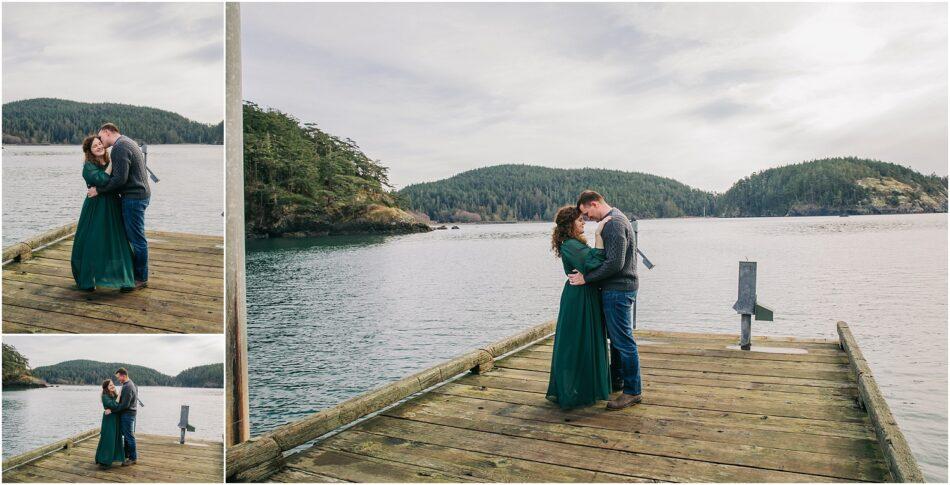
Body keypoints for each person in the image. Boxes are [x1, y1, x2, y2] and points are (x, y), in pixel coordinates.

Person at [568, 190, 643, 410]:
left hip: (618, 290)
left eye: (586, 213)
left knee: (623, 341)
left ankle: (633, 391)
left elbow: (615, 264)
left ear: (594, 203)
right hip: (621, 288)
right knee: (618, 340)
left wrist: (586, 278)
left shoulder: (613, 224)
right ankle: (617, 380)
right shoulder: (617, 218)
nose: (587, 218)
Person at [545, 206, 613, 409]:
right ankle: (572, 391)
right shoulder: (570, 245)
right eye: (579, 220)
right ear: (569, 225)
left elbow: (592, 262)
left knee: (585, 341)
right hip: (578, 298)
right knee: (575, 343)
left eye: (583, 219)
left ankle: (584, 387)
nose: (583, 222)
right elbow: (593, 263)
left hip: (585, 294)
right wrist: (599, 235)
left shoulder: (574, 243)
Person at [88, 123, 151, 292]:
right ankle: (133, 273)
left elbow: (120, 180)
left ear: (108, 132)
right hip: (140, 195)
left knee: (137, 239)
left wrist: (99, 190)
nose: (100, 141)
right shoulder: (127, 142)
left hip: (134, 198)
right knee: (135, 237)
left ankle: (140, 278)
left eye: (101, 137)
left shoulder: (119, 147)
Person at [70, 136, 135, 291]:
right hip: (96, 207)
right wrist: (112, 163)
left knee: (117, 238)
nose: (99, 147)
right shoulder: (88, 167)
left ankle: (123, 278)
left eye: (100, 144)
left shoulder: (107, 161)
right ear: (89, 151)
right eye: (95, 146)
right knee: (93, 239)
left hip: (112, 204)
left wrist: (111, 163)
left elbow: (118, 180)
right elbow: (103, 180)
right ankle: (88, 279)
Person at [94, 380, 125, 468]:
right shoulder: (105, 396)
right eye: (110, 385)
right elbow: (115, 404)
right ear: (106, 387)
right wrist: (119, 395)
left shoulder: (114, 395)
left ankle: (112, 458)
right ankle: (104, 460)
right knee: (108, 439)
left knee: (115, 438)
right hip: (109, 420)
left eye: (112, 384)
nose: (112, 386)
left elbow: (119, 406)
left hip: (116, 419)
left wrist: (112, 410)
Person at [110, 368, 138, 465]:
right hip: (130, 413)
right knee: (127, 435)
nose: (118, 380)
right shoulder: (130, 384)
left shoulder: (127, 386)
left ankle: (133, 458)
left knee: (129, 436)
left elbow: (124, 405)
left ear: (123, 375)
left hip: (128, 413)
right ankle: (126, 455)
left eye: (119, 377)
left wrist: (113, 410)